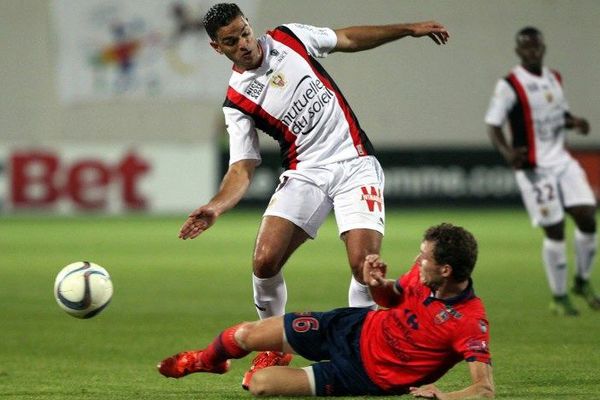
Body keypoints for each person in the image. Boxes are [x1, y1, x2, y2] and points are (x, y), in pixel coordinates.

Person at [179, 3, 450, 384]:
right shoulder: (237, 100)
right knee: (264, 262)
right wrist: (216, 206)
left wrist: (407, 28)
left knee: (363, 264)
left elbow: (348, 38)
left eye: (244, 32)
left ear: (248, 25)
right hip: (305, 172)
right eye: (231, 41)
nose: (243, 43)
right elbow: (242, 166)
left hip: (354, 163)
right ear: (216, 48)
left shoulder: (290, 37)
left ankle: (366, 349)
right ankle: (273, 347)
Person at [159, 223, 494, 398]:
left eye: (425, 258)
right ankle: (207, 361)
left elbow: (484, 390)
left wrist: (444, 396)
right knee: (247, 334)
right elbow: (392, 299)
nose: (419, 261)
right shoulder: (422, 275)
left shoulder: (469, 321)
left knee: (259, 384)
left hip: (363, 376)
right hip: (350, 327)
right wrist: (375, 282)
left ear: (446, 270)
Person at [485, 27, 599, 316]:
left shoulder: (554, 78)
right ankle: (559, 297)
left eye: (536, 47)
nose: (532, 51)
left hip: (562, 161)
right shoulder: (510, 84)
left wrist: (575, 123)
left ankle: (582, 281)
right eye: (526, 47)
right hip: (534, 168)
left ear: (543, 48)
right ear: (518, 51)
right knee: (556, 229)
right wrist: (508, 152)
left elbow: (557, 113)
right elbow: (493, 124)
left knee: (587, 217)